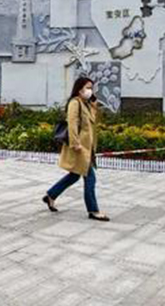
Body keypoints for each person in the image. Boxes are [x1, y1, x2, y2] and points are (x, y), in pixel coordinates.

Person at [42, 76, 110, 221]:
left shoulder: (85, 104)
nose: (90, 90)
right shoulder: (75, 103)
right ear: (79, 89)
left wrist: (94, 106)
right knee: (90, 178)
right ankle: (93, 210)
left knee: (74, 175)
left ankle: (51, 195)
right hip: (80, 147)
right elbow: (72, 123)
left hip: (87, 146)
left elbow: (94, 122)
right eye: (87, 88)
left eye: (91, 88)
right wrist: (75, 143)